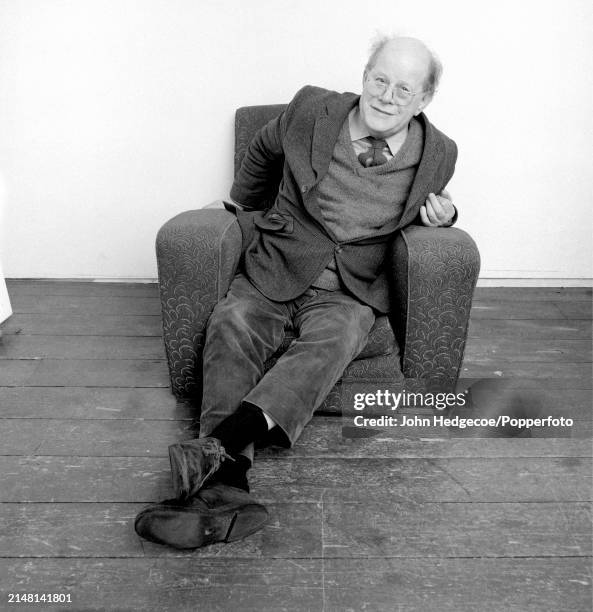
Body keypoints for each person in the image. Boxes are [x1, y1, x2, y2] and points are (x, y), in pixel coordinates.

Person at [135, 35, 457, 549]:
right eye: (380, 79)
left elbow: (433, 200)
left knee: (337, 337)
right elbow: (263, 150)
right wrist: (245, 211)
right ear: (364, 75)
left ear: (423, 100)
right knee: (231, 322)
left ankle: (217, 451)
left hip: (352, 288)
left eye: (404, 88)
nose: (387, 96)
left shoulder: (439, 153)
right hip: (278, 263)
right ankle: (230, 484)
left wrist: (449, 215)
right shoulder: (311, 108)